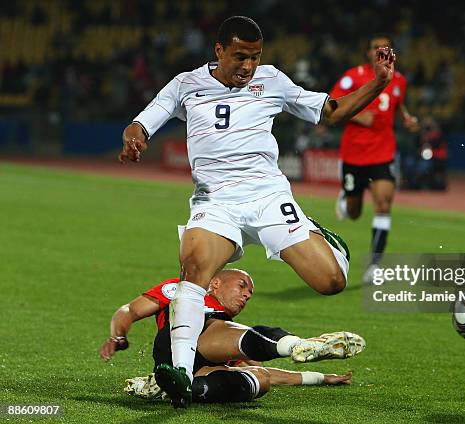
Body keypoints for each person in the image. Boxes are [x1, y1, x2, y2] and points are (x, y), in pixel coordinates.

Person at [118, 16, 395, 407]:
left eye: (255, 57)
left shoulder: (273, 81)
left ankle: (318, 233)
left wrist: (380, 82)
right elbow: (145, 120)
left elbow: (331, 111)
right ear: (219, 51)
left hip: (266, 196)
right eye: (239, 57)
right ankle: (180, 374)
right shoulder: (186, 84)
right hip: (215, 201)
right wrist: (134, 137)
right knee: (194, 268)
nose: (248, 66)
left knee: (330, 282)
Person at [100, 269, 364, 403]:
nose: (247, 294)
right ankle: (297, 344)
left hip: (197, 364)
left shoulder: (226, 329)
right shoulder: (187, 291)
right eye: (242, 286)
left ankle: (179, 389)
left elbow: (271, 374)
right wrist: (117, 336)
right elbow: (129, 310)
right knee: (241, 338)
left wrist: (320, 378)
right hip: (178, 337)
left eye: (250, 293)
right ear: (215, 283)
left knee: (260, 377)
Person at [330, 34, 418, 283]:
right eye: (374, 48)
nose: (380, 52)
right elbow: (333, 105)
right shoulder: (353, 76)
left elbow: (398, 105)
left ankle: (375, 264)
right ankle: (346, 200)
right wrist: (359, 115)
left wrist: (407, 119)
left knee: (383, 204)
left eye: (385, 48)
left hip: (382, 152)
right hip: (354, 154)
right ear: (367, 52)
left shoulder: (398, 80)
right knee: (354, 212)